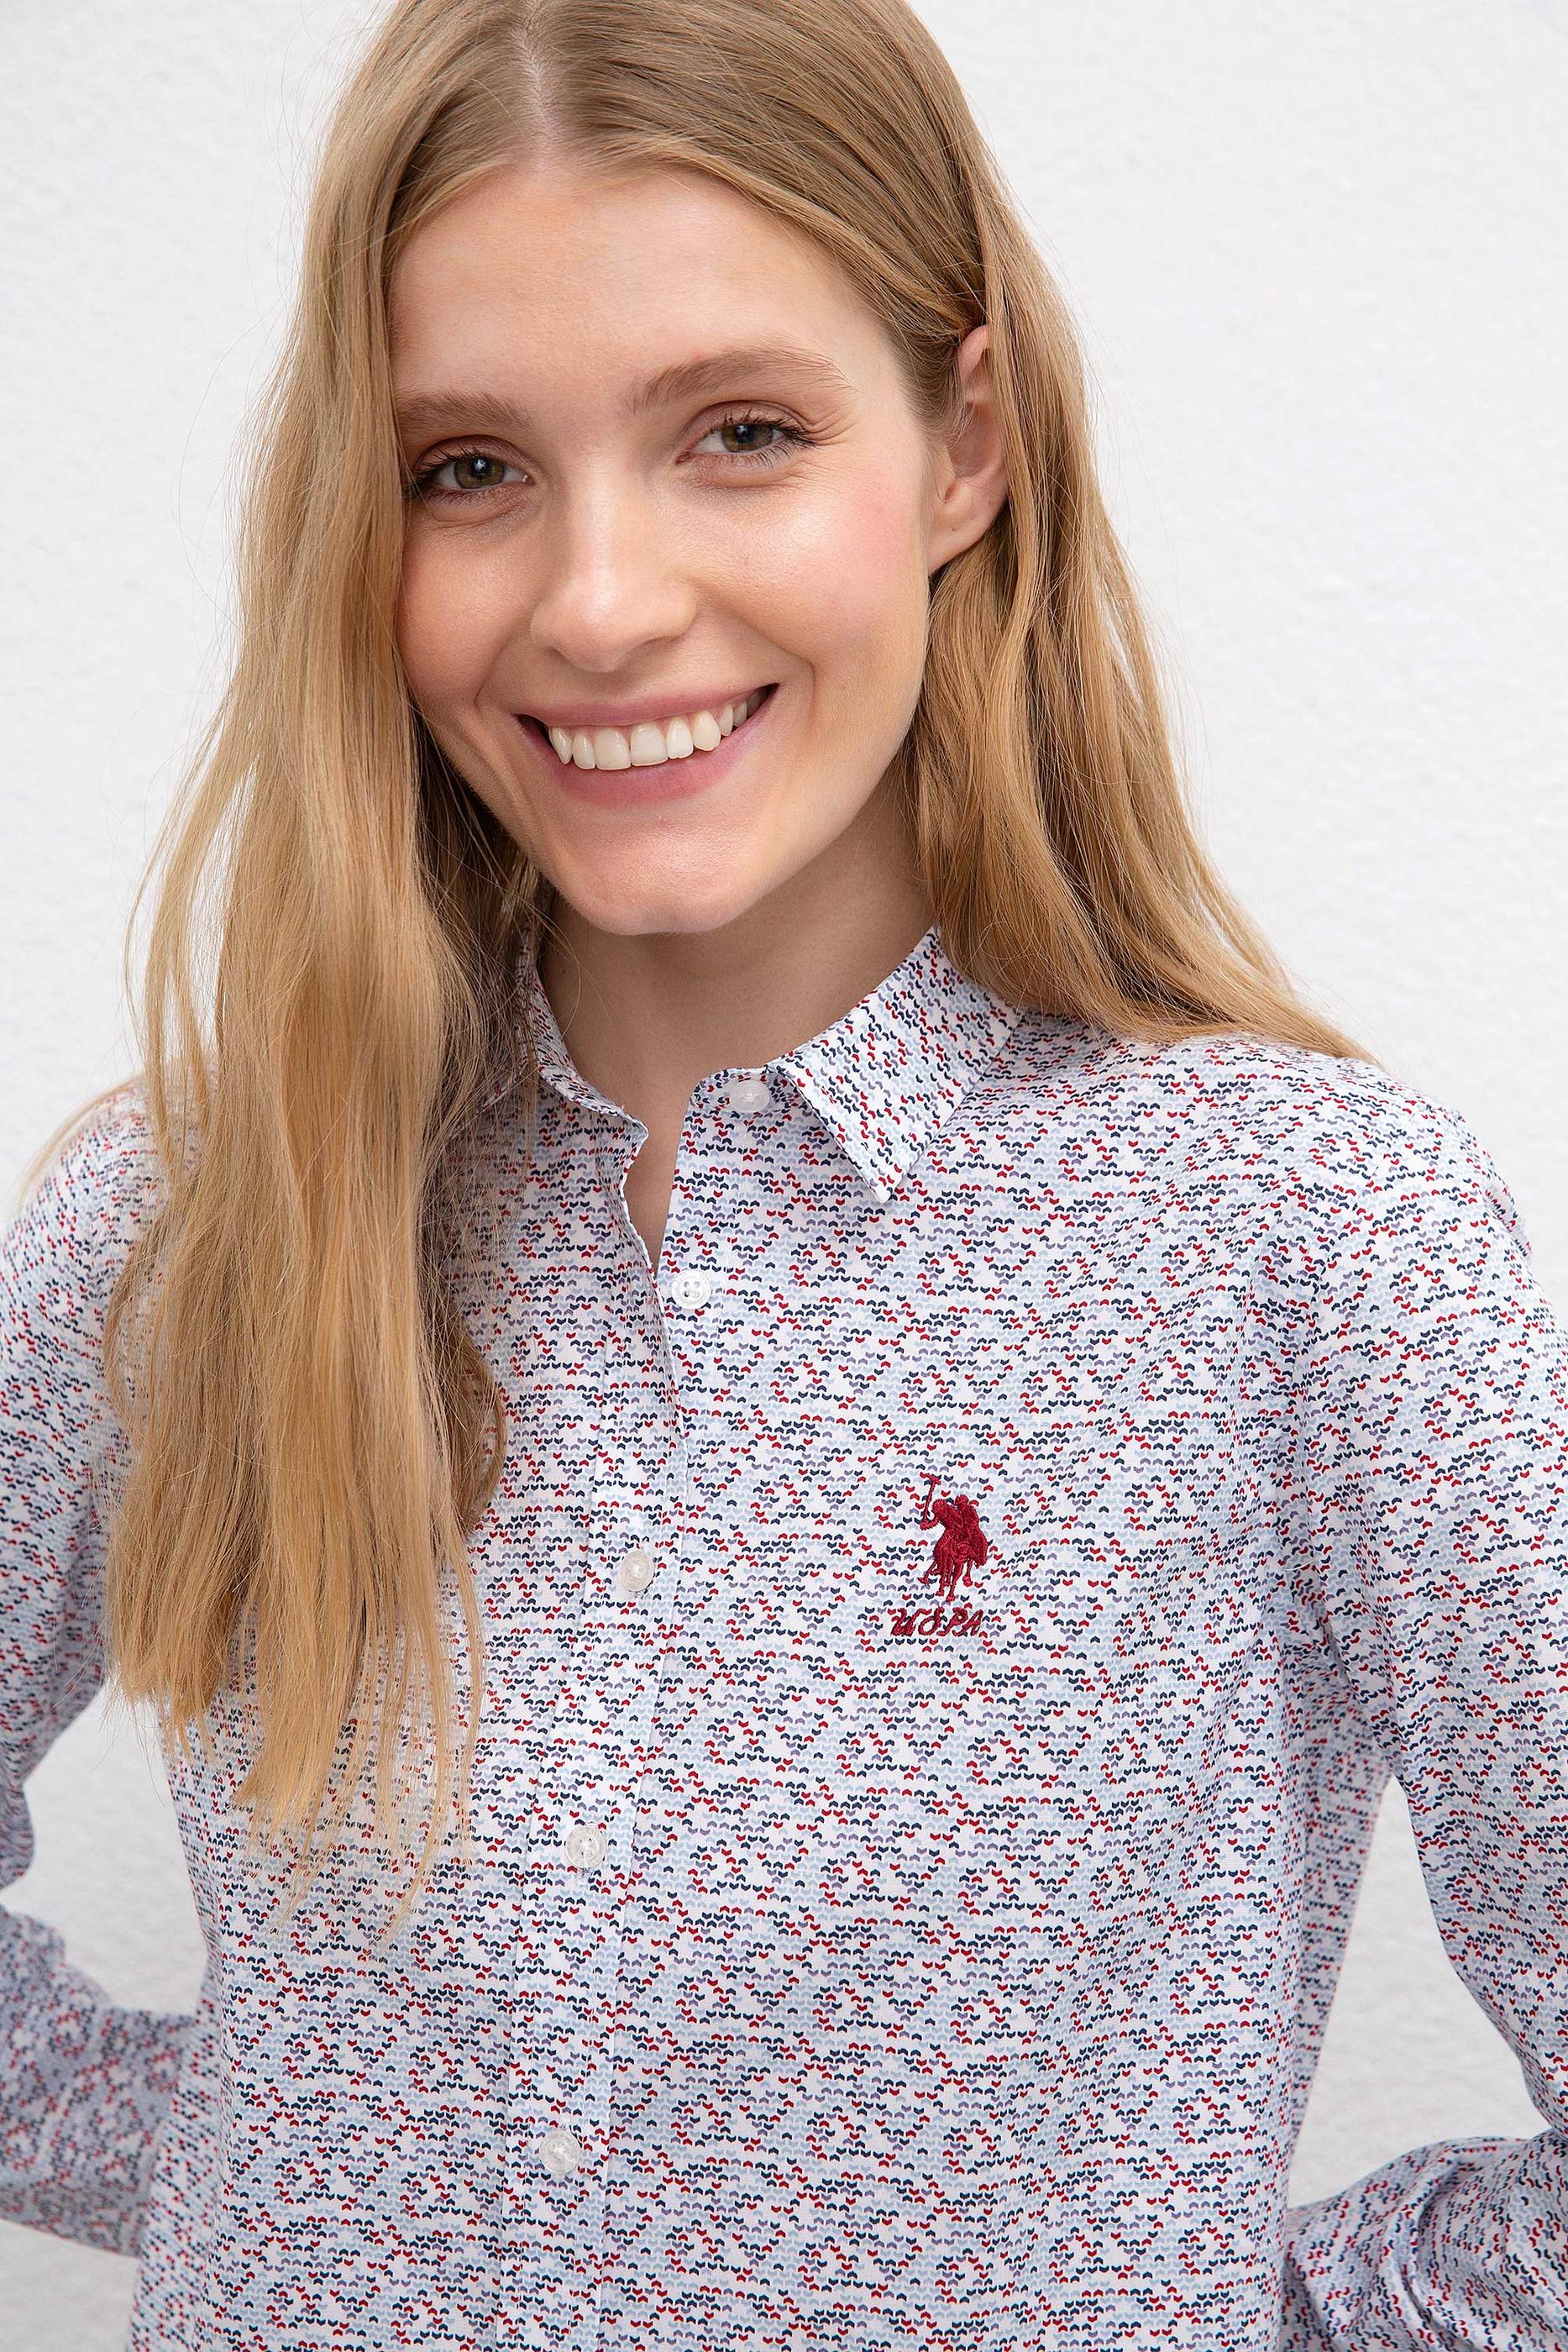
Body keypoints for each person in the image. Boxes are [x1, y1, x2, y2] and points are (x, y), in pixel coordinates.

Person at [2, 0, 1564, 2344]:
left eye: (738, 433)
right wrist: (289, 2182)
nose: (600, 600)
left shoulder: (1308, 1242)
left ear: (963, 447)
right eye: (466, 468)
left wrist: (1210, 2309)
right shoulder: (198, 1223)